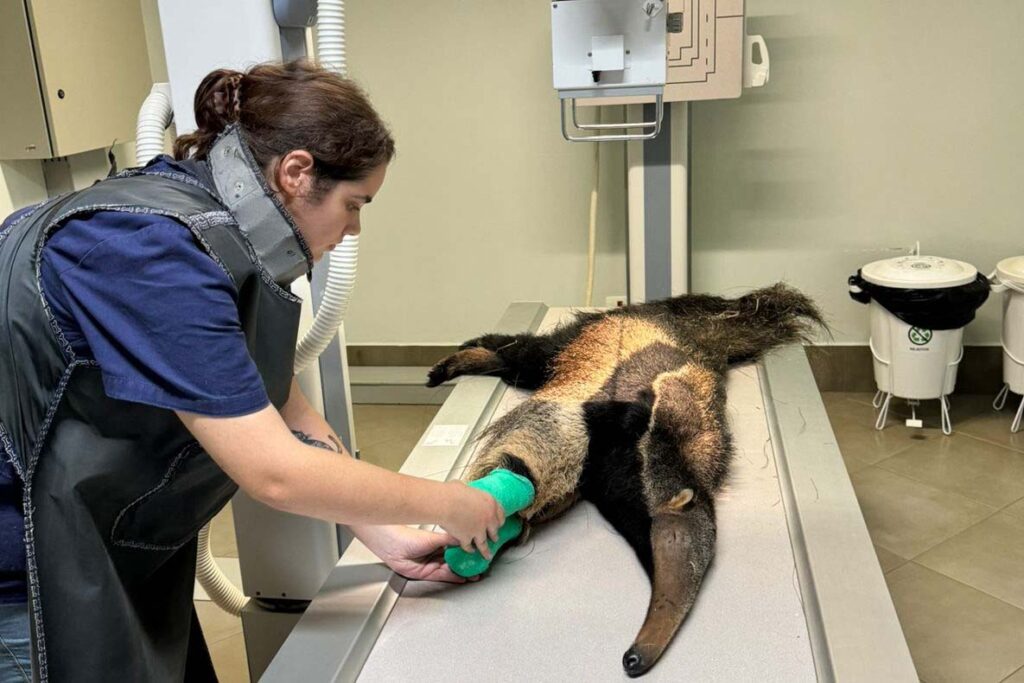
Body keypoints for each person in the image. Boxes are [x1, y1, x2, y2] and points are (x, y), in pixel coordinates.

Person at [0, 60, 504, 682]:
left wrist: (387, 534)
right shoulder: (147, 251)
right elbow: (275, 472)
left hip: (114, 544)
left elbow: (281, 402)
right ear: (296, 172)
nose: (353, 229)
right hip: (26, 571)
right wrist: (452, 503)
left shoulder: (208, 234)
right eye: (354, 204)